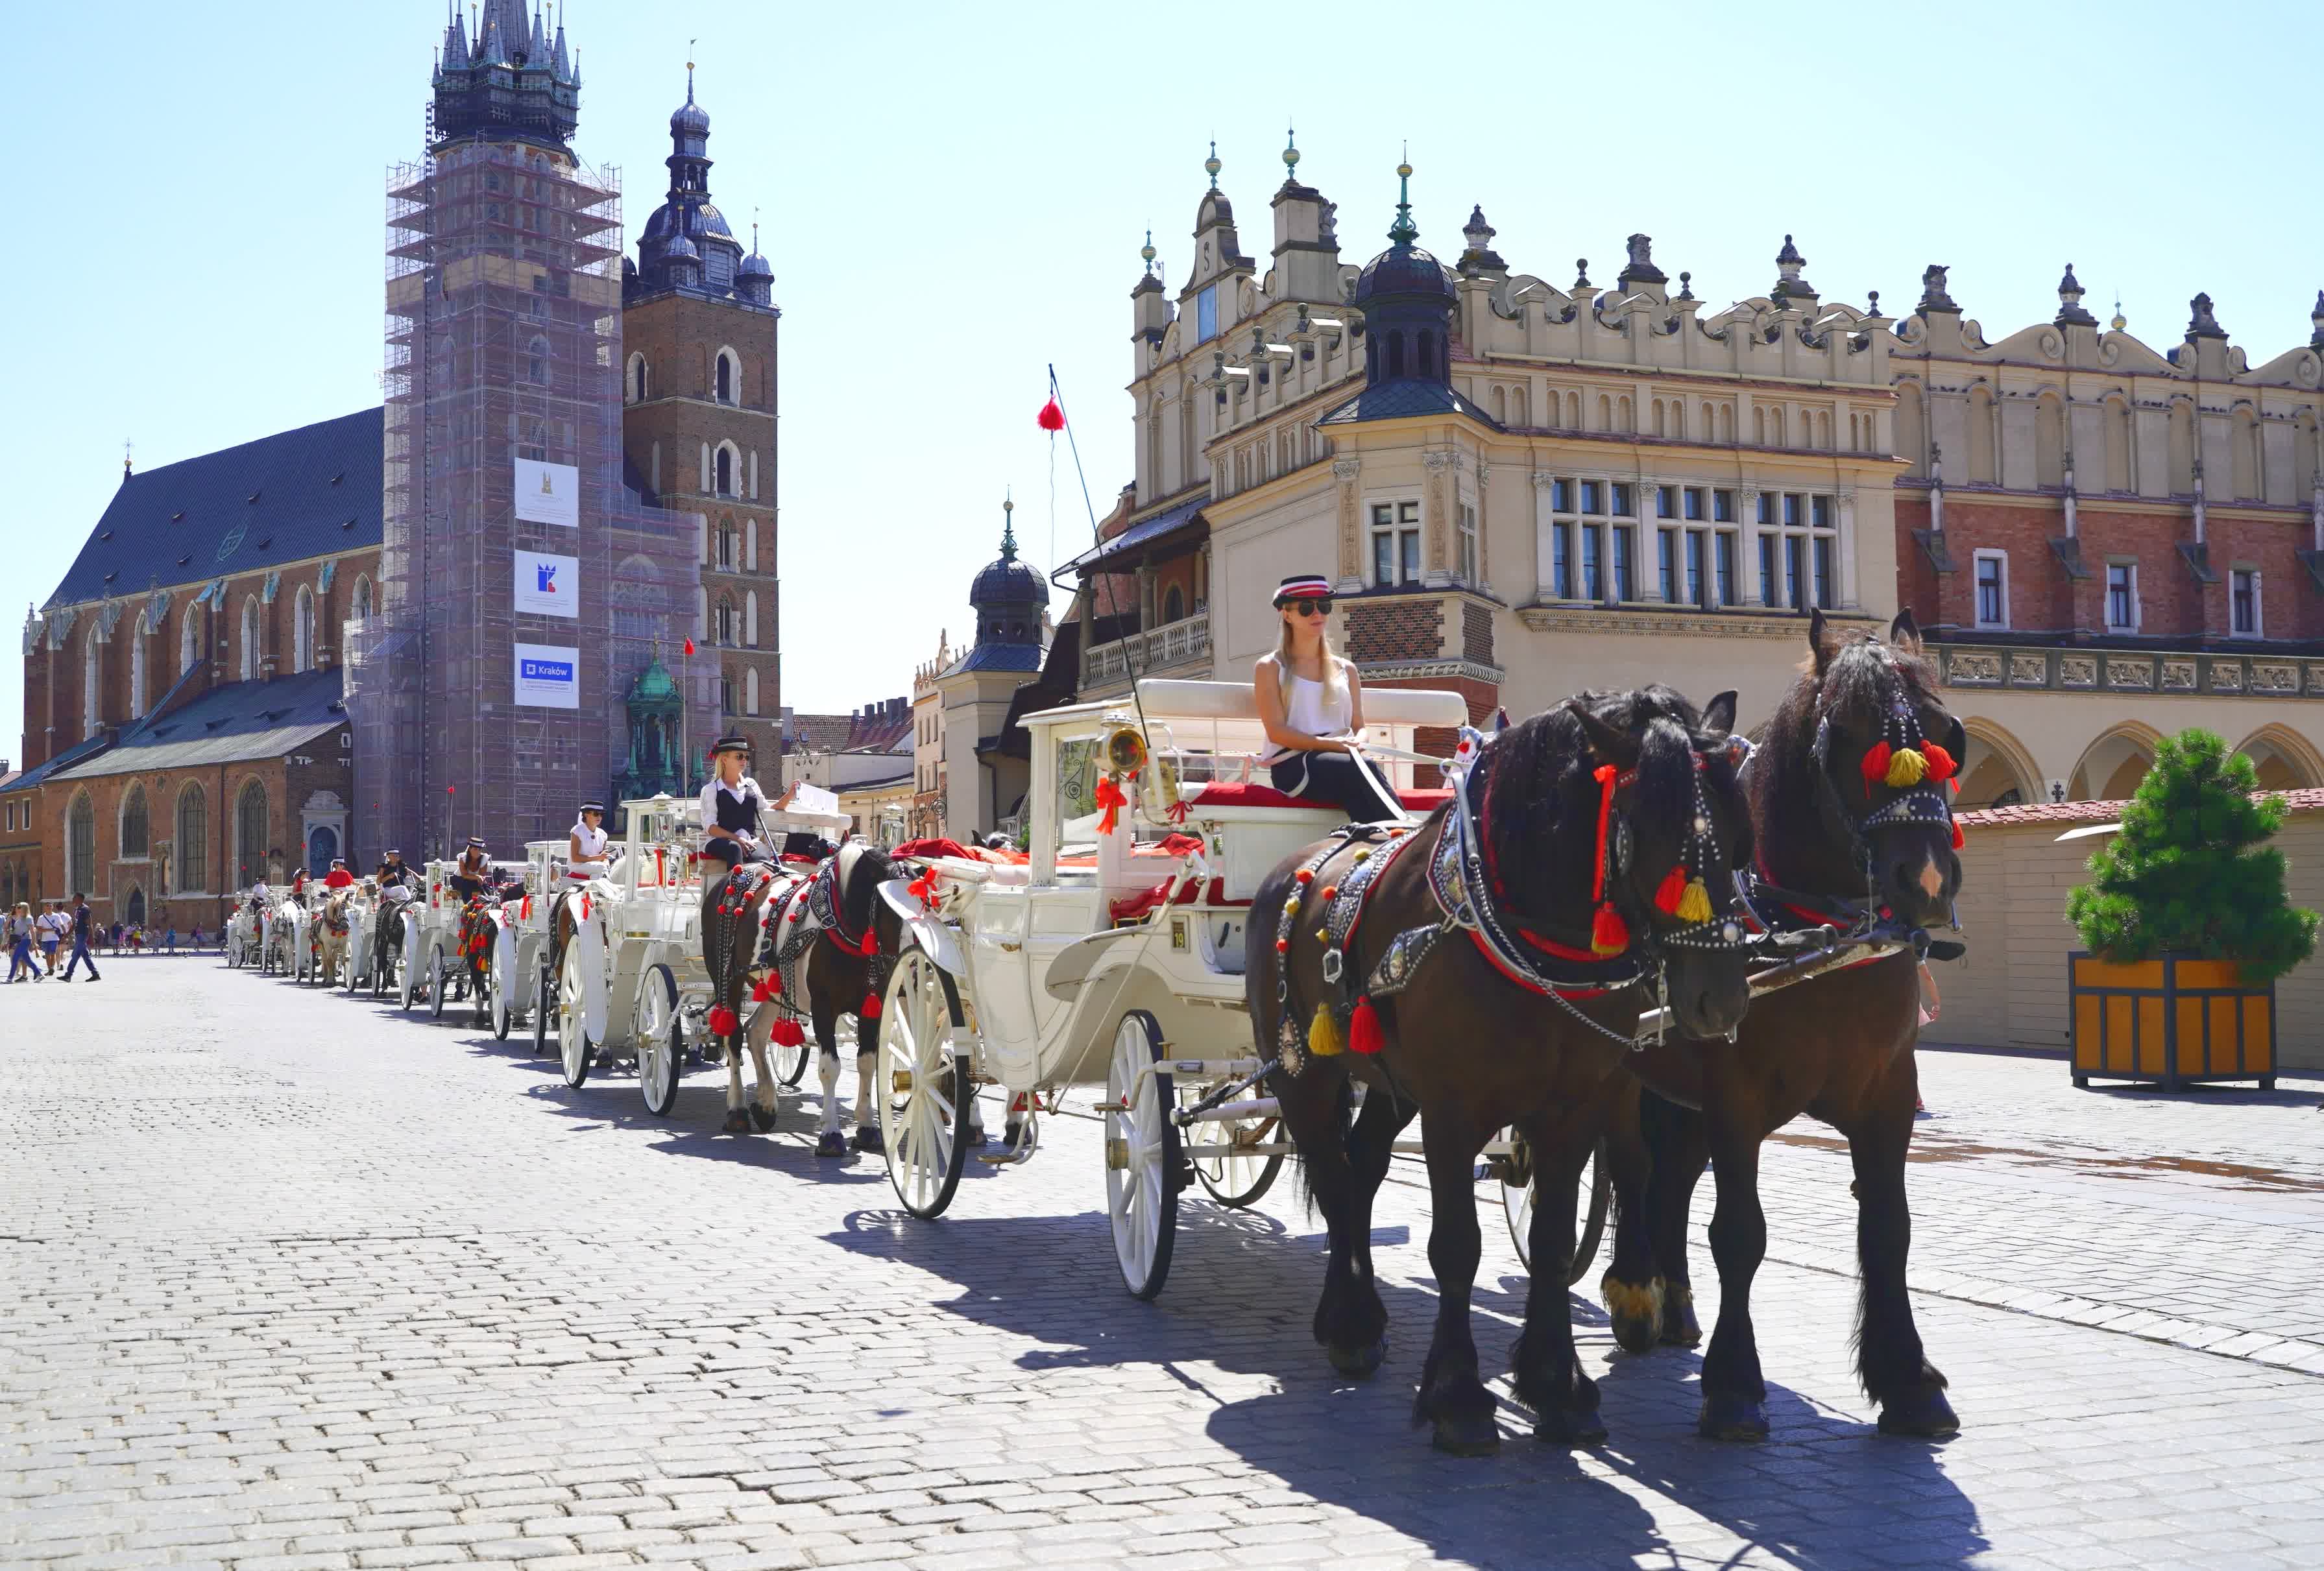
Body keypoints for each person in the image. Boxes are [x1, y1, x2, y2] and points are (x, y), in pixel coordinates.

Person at [1253, 573, 1404, 824]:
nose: (1317, 614)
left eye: (1324, 606)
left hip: (1344, 758)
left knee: (1361, 776)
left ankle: (1379, 843)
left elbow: (1360, 727)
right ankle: (1402, 836)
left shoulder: (1347, 669)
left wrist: (1357, 742)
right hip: (1293, 765)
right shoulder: (1270, 667)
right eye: (1306, 608)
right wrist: (1336, 746)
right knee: (1359, 770)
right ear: (1286, 614)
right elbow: (1277, 732)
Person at [699, 734, 771, 875]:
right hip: (718, 841)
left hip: (750, 840)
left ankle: (756, 894)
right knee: (734, 849)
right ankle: (733, 894)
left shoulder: (751, 784)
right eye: (739, 756)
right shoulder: (712, 790)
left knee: (762, 855)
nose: (744, 760)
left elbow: (766, 809)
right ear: (725, 759)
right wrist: (738, 839)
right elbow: (710, 828)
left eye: (746, 757)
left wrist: (790, 795)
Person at [768, 782, 839, 862]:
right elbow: (774, 810)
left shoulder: (820, 809)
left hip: (807, 854)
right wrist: (790, 794)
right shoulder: (793, 807)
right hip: (795, 855)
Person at [62, 894, 102, 983]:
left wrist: (92, 938)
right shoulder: (77, 910)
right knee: (85, 956)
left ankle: (68, 975)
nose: (72, 899)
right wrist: (67, 935)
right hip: (78, 934)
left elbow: (89, 924)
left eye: (74, 898)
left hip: (83, 934)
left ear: (79, 899)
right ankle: (95, 974)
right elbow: (74, 924)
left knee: (75, 955)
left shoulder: (85, 909)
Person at [568, 801, 611, 881]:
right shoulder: (577, 831)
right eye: (596, 814)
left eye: (601, 814)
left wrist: (606, 862)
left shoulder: (603, 834)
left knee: (606, 867)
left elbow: (603, 857)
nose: (599, 817)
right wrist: (599, 858)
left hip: (597, 867)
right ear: (586, 814)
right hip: (578, 867)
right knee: (601, 867)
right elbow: (575, 858)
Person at [448, 836, 490, 900]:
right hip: (459, 879)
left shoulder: (484, 859)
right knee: (467, 885)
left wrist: (481, 880)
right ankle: (468, 906)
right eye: (475, 849)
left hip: (475, 880)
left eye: (480, 850)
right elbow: (465, 875)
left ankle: (489, 904)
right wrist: (478, 877)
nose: (478, 852)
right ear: (470, 849)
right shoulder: (463, 858)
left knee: (485, 887)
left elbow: (482, 876)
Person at [6, 903, 40, 983]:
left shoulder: (28, 918)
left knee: (15, 958)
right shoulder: (20, 918)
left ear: (24, 908)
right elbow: (17, 930)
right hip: (19, 941)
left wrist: (34, 943)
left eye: (19, 907)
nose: (17, 909)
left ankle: (10, 978)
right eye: (17, 907)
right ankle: (39, 974)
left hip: (25, 941)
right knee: (27, 960)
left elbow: (32, 931)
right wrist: (11, 932)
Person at [37, 902, 65, 974]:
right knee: (47, 954)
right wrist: (50, 930)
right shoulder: (41, 918)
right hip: (45, 939)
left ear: (52, 907)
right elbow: (39, 929)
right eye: (47, 906)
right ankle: (50, 969)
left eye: (50, 906)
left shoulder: (57, 916)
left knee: (53, 953)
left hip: (55, 938)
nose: (49, 907)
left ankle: (52, 968)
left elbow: (62, 926)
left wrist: (65, 936)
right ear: (45, 908)